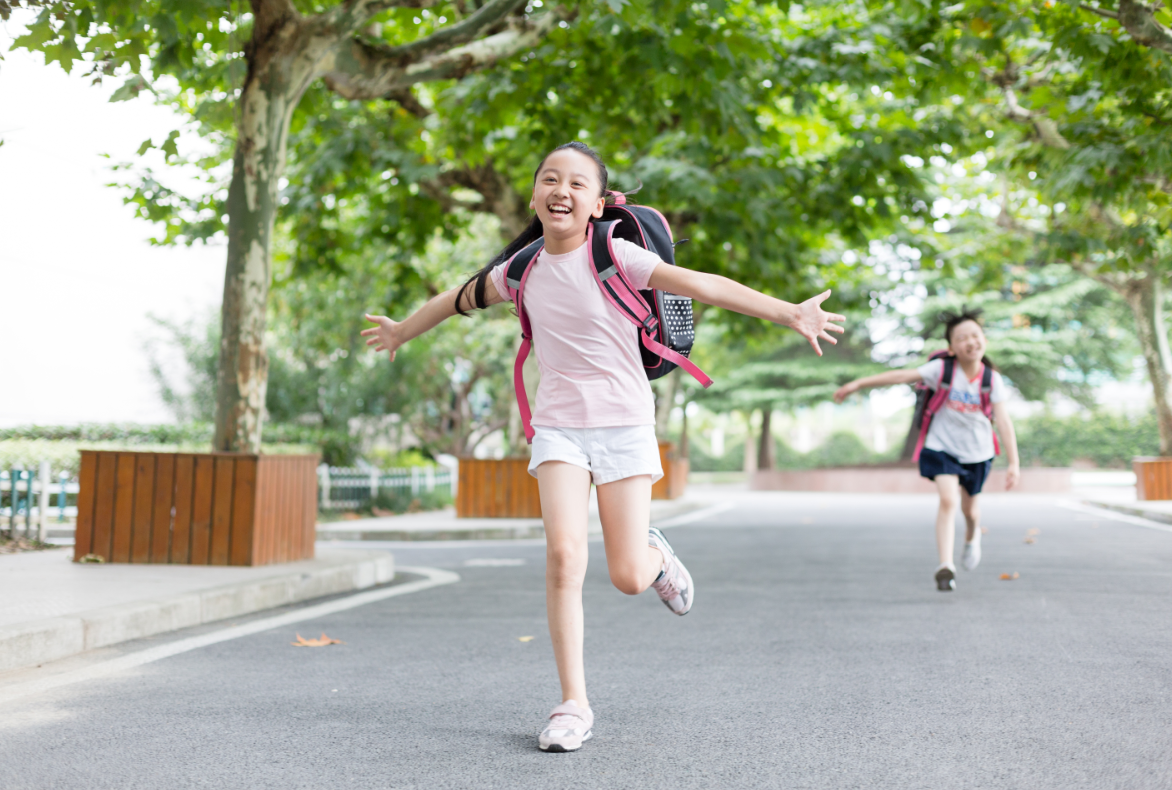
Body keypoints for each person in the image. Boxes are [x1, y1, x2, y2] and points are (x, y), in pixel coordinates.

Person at [362, 141, 845, 752]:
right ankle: (572, 704)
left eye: (577, 184)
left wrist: (789, 313)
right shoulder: (519, 271)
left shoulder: (615, 255)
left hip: (623, 424)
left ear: (596, 204)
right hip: (559, 426)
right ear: (536, 196)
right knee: (564, 557)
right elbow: (456, 299)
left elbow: (705, 284)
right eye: (548, 180)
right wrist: (404, 329)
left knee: (625, 575)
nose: (560, 190)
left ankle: (658, 560)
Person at [833, 310, 1020, 592]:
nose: (970, 342)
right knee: (948, 500)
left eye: (974, 335)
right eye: (961, 338)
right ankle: (946, 566)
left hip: (978, 452)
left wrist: (1014, 462)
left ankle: (971, 538)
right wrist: (859, 383)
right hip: (942, 447)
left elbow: (1003, 422)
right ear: (951, 348)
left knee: (971, 511)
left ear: (984, 340)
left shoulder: (992, 380)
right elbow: (901, 376)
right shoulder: (941, 370)